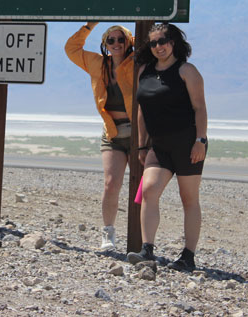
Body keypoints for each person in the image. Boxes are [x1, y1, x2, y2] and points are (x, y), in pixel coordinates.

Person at [128, 23, 208, 271]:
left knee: (189, 198)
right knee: (149, 190)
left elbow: (200, 108)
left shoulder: (186, 71)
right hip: (158, 146)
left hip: (187, 144)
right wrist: (142, 146)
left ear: (173, 43)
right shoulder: (144, 71)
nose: (158, 47)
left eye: (162, 41)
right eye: (153, 43)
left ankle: (188, 256)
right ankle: (147, 249)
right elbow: (141, 112)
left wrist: (201, 140)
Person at [65, 21, 135, 250]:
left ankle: (142, 237)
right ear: (105, 43)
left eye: (121, 39)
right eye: (111, 40)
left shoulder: (137, 63)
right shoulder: (97, 63)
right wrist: (90, 25)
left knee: (141, 185)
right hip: (112, 132)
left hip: (139, 133)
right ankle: (108, 232)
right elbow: (71, 49)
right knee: (111, 183)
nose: (116, 44)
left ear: (129, 41)